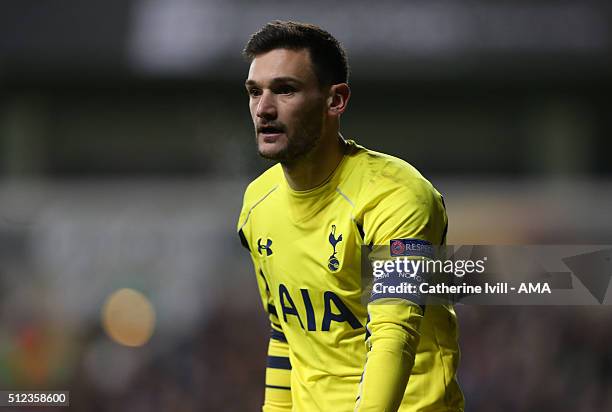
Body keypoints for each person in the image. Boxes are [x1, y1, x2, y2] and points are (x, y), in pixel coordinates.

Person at [237, 21, 463, 412]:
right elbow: (286, 336)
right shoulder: (258, 203)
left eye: (285, 89)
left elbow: (394, 333)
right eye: (255, 92)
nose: (264, 109)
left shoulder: (395, 196)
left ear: (335, 101)